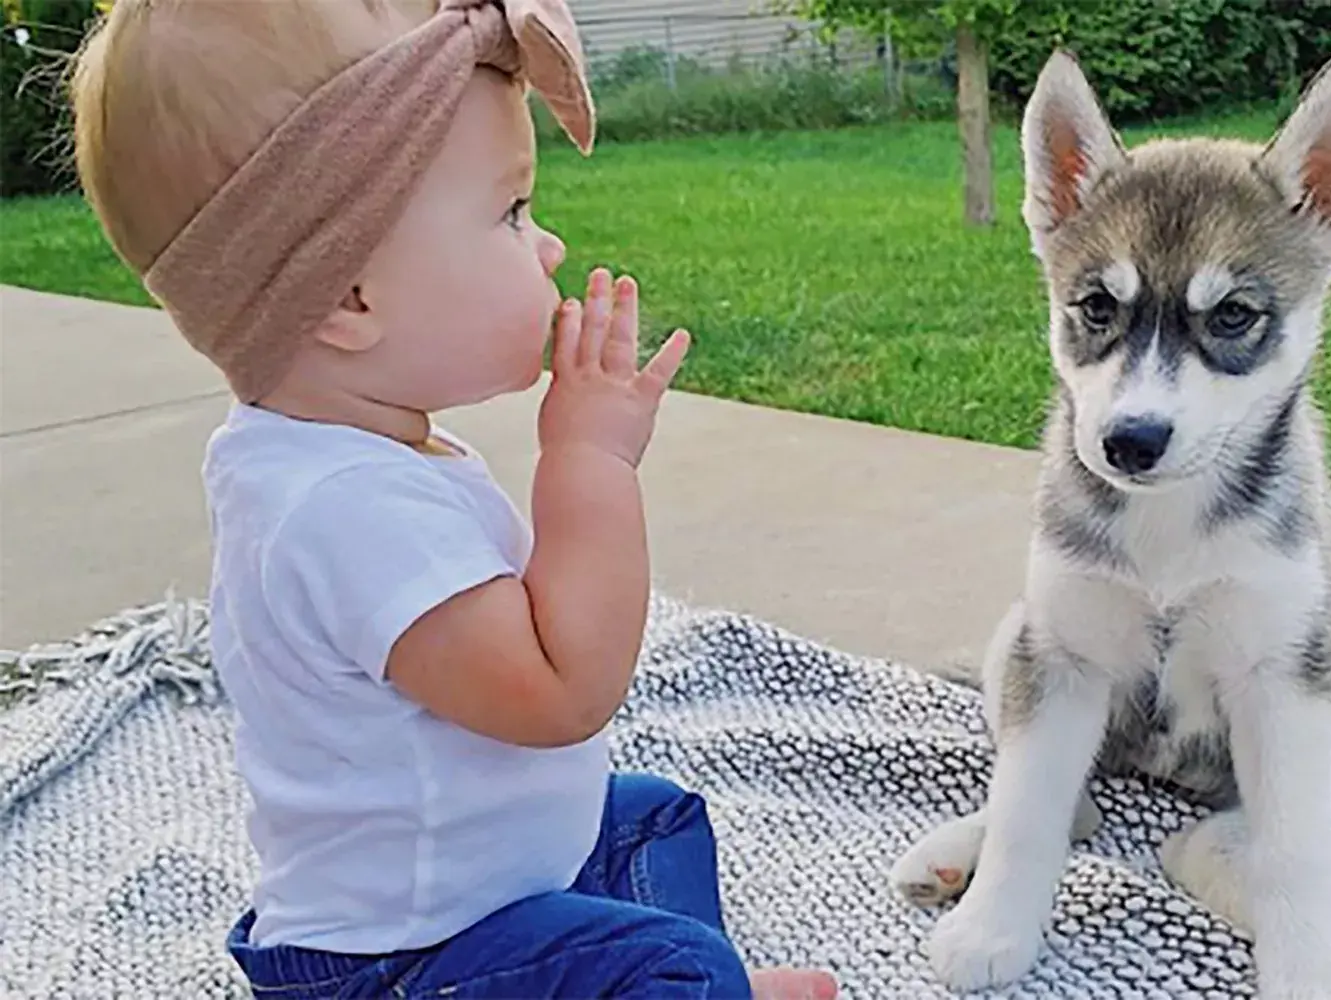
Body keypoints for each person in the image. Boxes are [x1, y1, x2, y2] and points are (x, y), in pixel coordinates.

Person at [70, 1, 840, 997]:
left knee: (651, 820)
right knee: (671, 964)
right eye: (511, 213)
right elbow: (562, 690)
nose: (549, 246)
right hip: (400, 963)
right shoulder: (346, 510)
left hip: (484, 897)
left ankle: (704, 985)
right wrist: (591, 458)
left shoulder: (345, 451)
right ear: (348, 297)